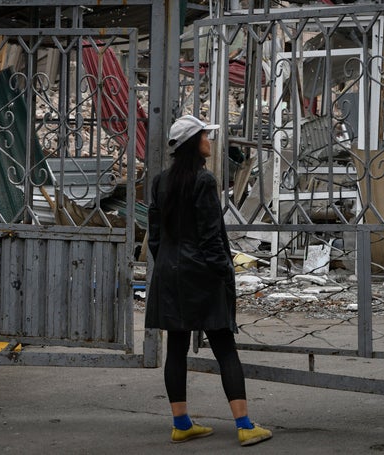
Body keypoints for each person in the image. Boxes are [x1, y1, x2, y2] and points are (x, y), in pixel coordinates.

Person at [145, 115, 273, 447]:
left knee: (176, 347)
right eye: (205, 135)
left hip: (170, 274)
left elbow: (155, 237)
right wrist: (223, 274)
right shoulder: (203, 182)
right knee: (225, 348)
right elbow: (211, 236)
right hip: (201, 273)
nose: (209, 141)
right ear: (193, 143)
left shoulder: (160, 182)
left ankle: (181, 423)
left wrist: (168, 265)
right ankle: (244, 425)